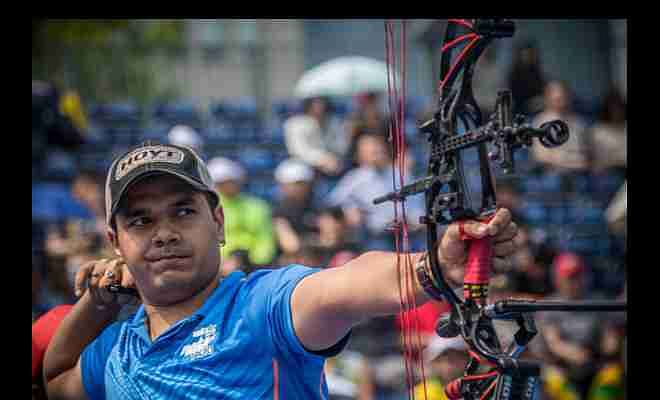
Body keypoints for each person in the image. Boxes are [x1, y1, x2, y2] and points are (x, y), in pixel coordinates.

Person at [43, 142, 519, 399]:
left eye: (183, 211)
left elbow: (343, 287)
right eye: (140, 221)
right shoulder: (118, 350)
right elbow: (53, 380)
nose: (163, 233)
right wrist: (99, 298)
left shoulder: (260, 304)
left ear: (219, 221)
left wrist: (432, 265)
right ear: (116, 242)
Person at [326, 133, 425, 249]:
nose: (375, 150)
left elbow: (417, 205)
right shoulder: (355, 178)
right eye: (369, 148)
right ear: (360, 155)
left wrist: (414, 220)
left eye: (377, 146)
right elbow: (332, 202)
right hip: (375, 237)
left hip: (408, 234)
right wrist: (349, 208)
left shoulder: (401, 174)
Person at [207, 156, 277, 266]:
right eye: (221, 182)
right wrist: (222, 262)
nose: (227, 185)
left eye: (230, 181)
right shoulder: (208, 208)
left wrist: (253, 262)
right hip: (221, 265)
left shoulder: (258, 206)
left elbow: (266, 240)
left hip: (254, 265)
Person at [531, 81, 590, 172]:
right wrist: (570, 163)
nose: (562, 102)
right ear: (548, 99)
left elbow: (588, 153)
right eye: (557, 99)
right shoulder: (540, 122)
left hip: (581, 171)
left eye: (564, 97)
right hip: (555, 173)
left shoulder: (580, 122)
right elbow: (540, 157)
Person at [283, 96, 346, 176]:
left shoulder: (334, 122)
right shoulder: (294, 123)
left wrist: (333, 158)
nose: (320, 107)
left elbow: (340, 147)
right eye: (316, 103)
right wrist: (322, 160)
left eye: (322, 103)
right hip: (302, 165)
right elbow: (298, 151)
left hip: (333, 164)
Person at [271, 158, 320, 257]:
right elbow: (291, 246)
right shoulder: (279, 212)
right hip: (291, 265)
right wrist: (316, 241)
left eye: (303, 183)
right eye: (296, 184)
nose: (300, 187)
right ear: (283, 185)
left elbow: (332, 239)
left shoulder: (318, 206)